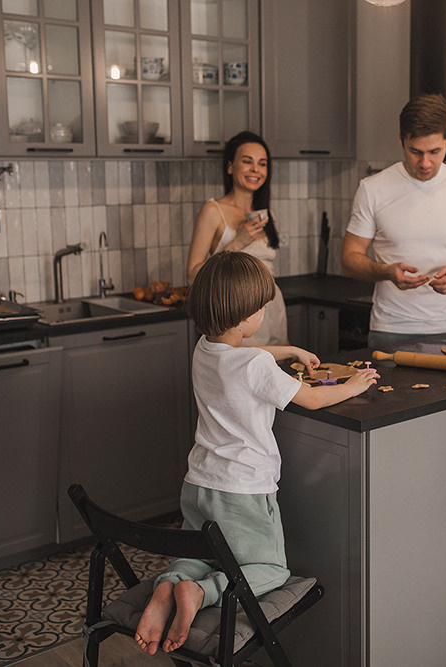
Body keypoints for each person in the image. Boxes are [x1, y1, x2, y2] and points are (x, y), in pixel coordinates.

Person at [134, 252, 379, 656]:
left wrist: (289, 350)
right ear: (246, 315)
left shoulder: (203, 349)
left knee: (203, 552)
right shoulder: (255, 367)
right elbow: (313, 399)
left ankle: (168, 586)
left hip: (199, 482)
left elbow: (248, 356)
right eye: (261, 307)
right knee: (270, 569)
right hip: (244, 492)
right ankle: (200, 592)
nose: (264, 312)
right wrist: (354, 385)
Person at [341, 93, 446, 348]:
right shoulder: (372, 188)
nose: (425, 163)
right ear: (401, 138)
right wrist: (386, 272)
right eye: (415, 152)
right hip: (389, 329)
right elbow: (349, 259)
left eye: (434, 152)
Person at [186, 131, 288, 346]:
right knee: (244, 372)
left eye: (262, 164)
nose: (255, 170)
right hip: (236, 313)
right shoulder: (213, 211)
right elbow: (192, 277)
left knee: (278, 369)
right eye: (247, 161)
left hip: (272, 305)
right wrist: (237, 243)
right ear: (230, 166)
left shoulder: (267, 215)